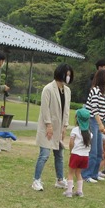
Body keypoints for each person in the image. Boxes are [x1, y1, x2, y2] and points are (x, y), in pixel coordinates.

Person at [31, 64, 73, 192]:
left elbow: (66, 110)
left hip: (59, 128)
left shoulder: (67, 91)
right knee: (44, 154)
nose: (68, 77)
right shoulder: (48, 89)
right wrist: (49, 125)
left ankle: (60, 179)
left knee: (59, 154)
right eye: (67, 74)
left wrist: (65, 126)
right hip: (47, 128)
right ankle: (36, 180)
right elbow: (45, 109)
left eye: (70, 75)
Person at [83, 67, 105, 183]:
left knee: (99, 151)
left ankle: (94, 173)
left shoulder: (104, 94)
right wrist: (100, 124)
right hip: (92, 120)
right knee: (93, 150)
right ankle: (86, 175)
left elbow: (103, 111)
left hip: (99, 121)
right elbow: (94, 109)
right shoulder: (94, 90)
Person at [66, 108, 92, 197]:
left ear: (77, 118)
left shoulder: (75, 130)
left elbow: (71, 142)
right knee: (78, 173)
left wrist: (71, 151)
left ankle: (69, 191)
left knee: (70, 173)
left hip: (76, 154)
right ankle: (80, 191)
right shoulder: (89, 132)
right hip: (85, 156)